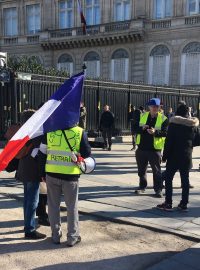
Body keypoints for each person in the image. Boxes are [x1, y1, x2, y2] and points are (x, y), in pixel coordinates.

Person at [38, 124, 91, 246]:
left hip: (52, 174)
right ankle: (72, 237)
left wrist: (42, 172)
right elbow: (87, 153)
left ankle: (55, 235)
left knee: (52, 206)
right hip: (70, 176)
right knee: (72, 207)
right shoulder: (79, 132)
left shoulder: (50, 131)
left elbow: (42, 153)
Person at [157, 104, 200, 211]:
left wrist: (164, 157)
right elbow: (198, 140)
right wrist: (189, 145)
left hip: (173, 157)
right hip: (186, 156)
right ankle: (184, 204)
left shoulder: (174, 124)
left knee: (168, 179)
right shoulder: (193, 125)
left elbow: (169, 142)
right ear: (187, 114)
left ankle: (168, 203)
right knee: (185, 180)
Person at [17, 110, 46, 240]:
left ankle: (27, 224)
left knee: (27, 199)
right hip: (33, 170)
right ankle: (30, 229)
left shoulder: (23, 132)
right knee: (33, 201)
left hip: (23, 169)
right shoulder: (37, 133)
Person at [134, 98, 168, 198]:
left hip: (154, 150)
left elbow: (166, 133)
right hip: (141, 148)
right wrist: (142, 128)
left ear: (159, 107)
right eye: (153, 106)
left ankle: (158, 189)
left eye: (157, 107)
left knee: (156, 171)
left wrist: (155, 132)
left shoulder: (164, 118)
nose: (154, 108)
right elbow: (134, 128)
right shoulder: (142, 115)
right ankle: (142, 187)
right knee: (141, 170)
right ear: (149, 107)